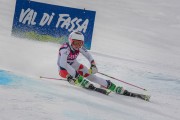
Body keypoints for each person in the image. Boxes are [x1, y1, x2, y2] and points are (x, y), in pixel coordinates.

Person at [57, 31, 150, 101]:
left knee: (92, 77)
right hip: (63, 69)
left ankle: (110, 85)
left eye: (80, 43)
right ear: (70, 41)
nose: (77, 46)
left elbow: (88, 56)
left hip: (73, 64)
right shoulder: (65, 49)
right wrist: (69, 77)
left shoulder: (79, 48)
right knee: (73, 72)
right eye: (75, 43)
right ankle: (80, 80)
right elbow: (62, 64)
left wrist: (93, 65)